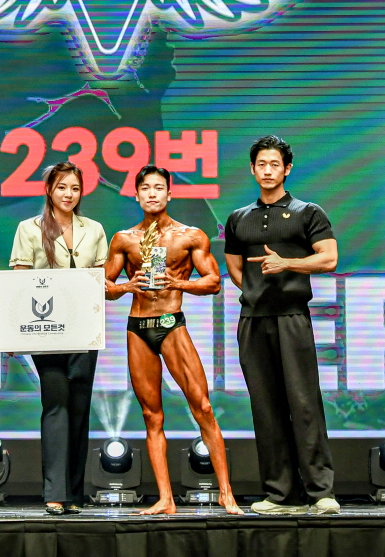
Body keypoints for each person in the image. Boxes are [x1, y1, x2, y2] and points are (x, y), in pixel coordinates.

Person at [105, 166, 243, 515]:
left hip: (171, 323)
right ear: (136, 194)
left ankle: (226, 493)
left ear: (170, 194)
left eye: (158, 188)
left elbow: (213, 282)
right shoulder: (123, 239)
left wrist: (179, 283)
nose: (152, 194)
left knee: (203, 408)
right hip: (138, 327)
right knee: (151, 416)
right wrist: (126, 286)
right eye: (145, 188)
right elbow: (103, 287)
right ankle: (165, 499)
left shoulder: (190, 236)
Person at [223, 135, 341, 515]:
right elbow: (235, 266)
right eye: (261, 164)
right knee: (266, 408)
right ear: (252, 169)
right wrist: (256, 289)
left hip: (293, 317)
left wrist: (287, 264)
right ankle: (281, 495)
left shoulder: (308, 212)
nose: (268, 170)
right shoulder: (239, 218)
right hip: (253, 321)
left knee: (304, 403)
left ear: (287, 169)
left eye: (275, 164)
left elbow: (329, 258)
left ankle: (321, 492)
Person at [10, 161, 109, 515]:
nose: (69, 194)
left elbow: (101, 280)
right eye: (62, 187)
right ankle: (55, 492)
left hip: (85, 330)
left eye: (75, 188)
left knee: (79, 408)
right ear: (49, 190)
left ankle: (74, 494)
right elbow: (18, 283)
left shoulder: (94, 229)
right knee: (56, 403)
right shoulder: (29, 228)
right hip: (45, 330)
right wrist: (12, 333)